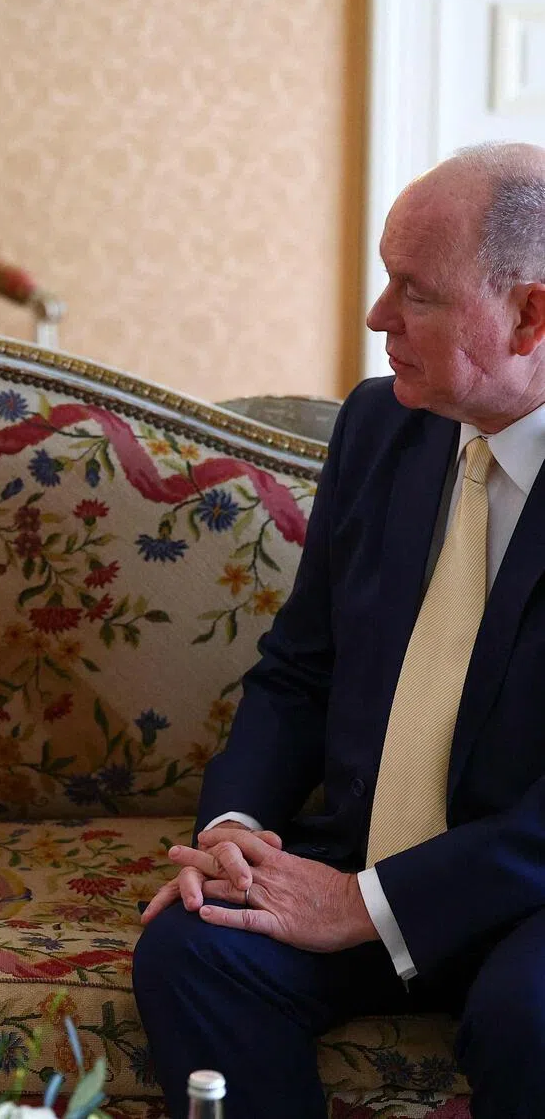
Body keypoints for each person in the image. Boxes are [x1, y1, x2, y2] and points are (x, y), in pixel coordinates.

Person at [134, 141, 545, 1119]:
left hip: (531, 897)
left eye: (417, 291)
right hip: (360, 849)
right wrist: (232, 830)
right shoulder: (381, 426)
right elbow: (299, 671)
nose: (376, 318)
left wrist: (365, 907)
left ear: (531, 313)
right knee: (194, 951)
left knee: (535, 1018)